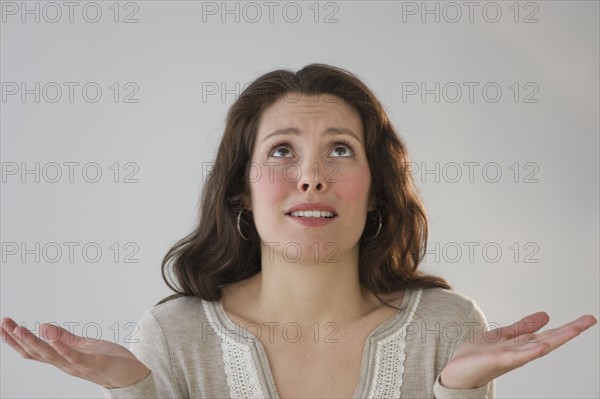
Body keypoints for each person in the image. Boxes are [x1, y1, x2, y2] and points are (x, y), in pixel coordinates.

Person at [1, 64, 596, 398]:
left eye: (340, 150)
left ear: (376, 185)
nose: (311, 177)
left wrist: (456, 393)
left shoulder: (449, 326)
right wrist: (135, 390)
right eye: (282, 151)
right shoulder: (173, 335)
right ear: (242, 187)